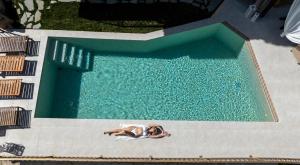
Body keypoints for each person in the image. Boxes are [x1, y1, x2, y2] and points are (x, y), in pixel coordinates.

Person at [104, 124, 170, 138]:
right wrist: (162, 130)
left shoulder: (148, 135)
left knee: (124, 132)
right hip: (133, 128)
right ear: (152, 128)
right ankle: (110, 132)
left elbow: (156, 137)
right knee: (122, 129)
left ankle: (117, 134)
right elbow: (158, 125)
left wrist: (163, 134)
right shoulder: (148, 126)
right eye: (155, 129)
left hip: (134, 134)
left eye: (155, 131)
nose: (154, 130)